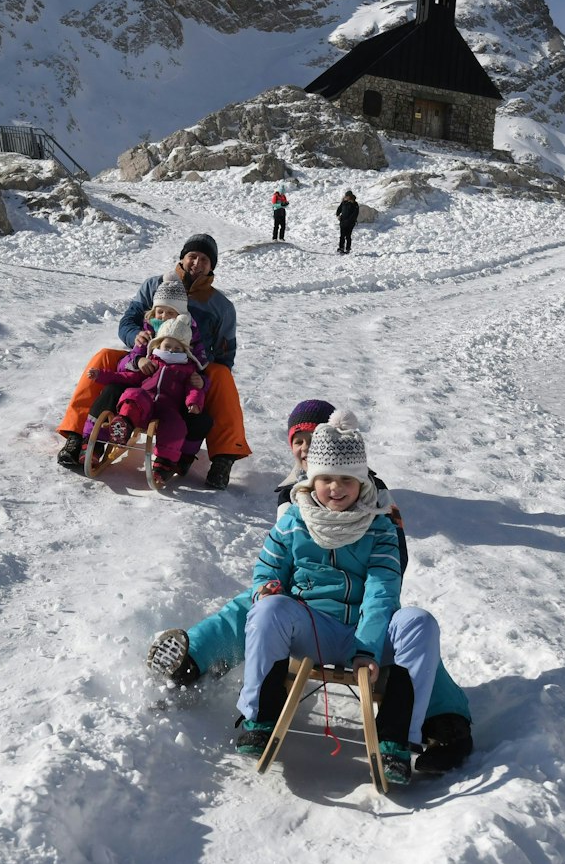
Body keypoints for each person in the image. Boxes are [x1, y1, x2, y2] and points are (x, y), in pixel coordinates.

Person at [148, 399, 476, 776]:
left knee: (417, 629)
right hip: (306, 616)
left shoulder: (378, 508)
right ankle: (194, 662)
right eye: (298, 441)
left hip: (365, 618)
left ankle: (436, 724)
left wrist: (367, 643)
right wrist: (269, 590)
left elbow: (386, 583)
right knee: (255, 608)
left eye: (312, 438)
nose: (305, 449)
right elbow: (274, 563)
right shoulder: (292, 503)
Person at [55, 234, 249, 488]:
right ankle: (77, 436)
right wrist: (135, 336)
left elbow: (225, 354)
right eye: (192, 256)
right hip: (144, 360)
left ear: (212, 266)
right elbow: (128, 321)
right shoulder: (153, 285)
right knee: (104, 357)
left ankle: (224, 457)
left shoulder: (220, 306)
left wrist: (200, 378)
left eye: (205, 259)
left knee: (221, 374)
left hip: (186, 368)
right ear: (182, 257)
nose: (197, 263)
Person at [85, 314, 207, 488]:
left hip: (167, 408)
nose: (171, 351)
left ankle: (164, 463)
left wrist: (194, 403)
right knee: (134, 394)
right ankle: (123, 425)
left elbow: (193, 389)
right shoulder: (151, 362)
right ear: (158, 345)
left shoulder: (187, 370)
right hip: (144, 403)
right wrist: (101, 375)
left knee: (176, 425)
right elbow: (128, 376)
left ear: (185, 351)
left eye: (177, 348)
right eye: (167, 346)